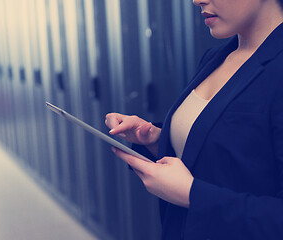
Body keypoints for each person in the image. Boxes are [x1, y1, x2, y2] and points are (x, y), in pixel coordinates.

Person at [105, 0, 283, 239]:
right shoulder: (217, 56)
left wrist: (192, 195)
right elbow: (228, 158)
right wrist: (156, 139)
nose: (196, 0)